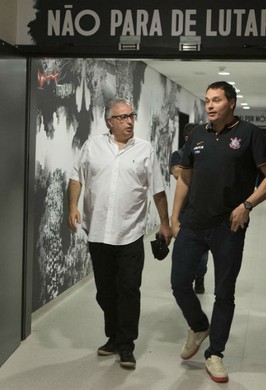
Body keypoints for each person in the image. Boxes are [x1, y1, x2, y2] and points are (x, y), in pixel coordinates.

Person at [170, 81, 266, 383]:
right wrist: (175, 217)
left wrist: (247, 204)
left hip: (228, 227)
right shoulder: (196, 135)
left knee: (224, 292)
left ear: (231, 103)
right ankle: (198, 325)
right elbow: (185, 178)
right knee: (179, 284)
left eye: (216, 100)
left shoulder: (250, 135)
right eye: (207, 100)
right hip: (193, 223)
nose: (209, 105)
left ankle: (215, 354)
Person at [67, 98, 172, 370]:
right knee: (105, 292)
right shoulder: (93, 146)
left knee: (128, 290)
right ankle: (113, 336)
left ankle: (126, 345)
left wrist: (165, 222)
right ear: (109, 122)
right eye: (123, 117)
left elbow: (158, 190)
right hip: (99, 233)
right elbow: (76, 176)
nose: (129, 121)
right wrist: (72, 207)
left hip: (130, 234)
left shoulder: (145, 150)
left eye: (131, 116)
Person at [170, 123, 209, 294]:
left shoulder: (206, 153)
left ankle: (200, 276)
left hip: (204, 209)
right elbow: (179, 173)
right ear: (188, 139)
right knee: (183, 248)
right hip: (184, 210)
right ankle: (185, 279)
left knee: (202, 251)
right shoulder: (177, 155)